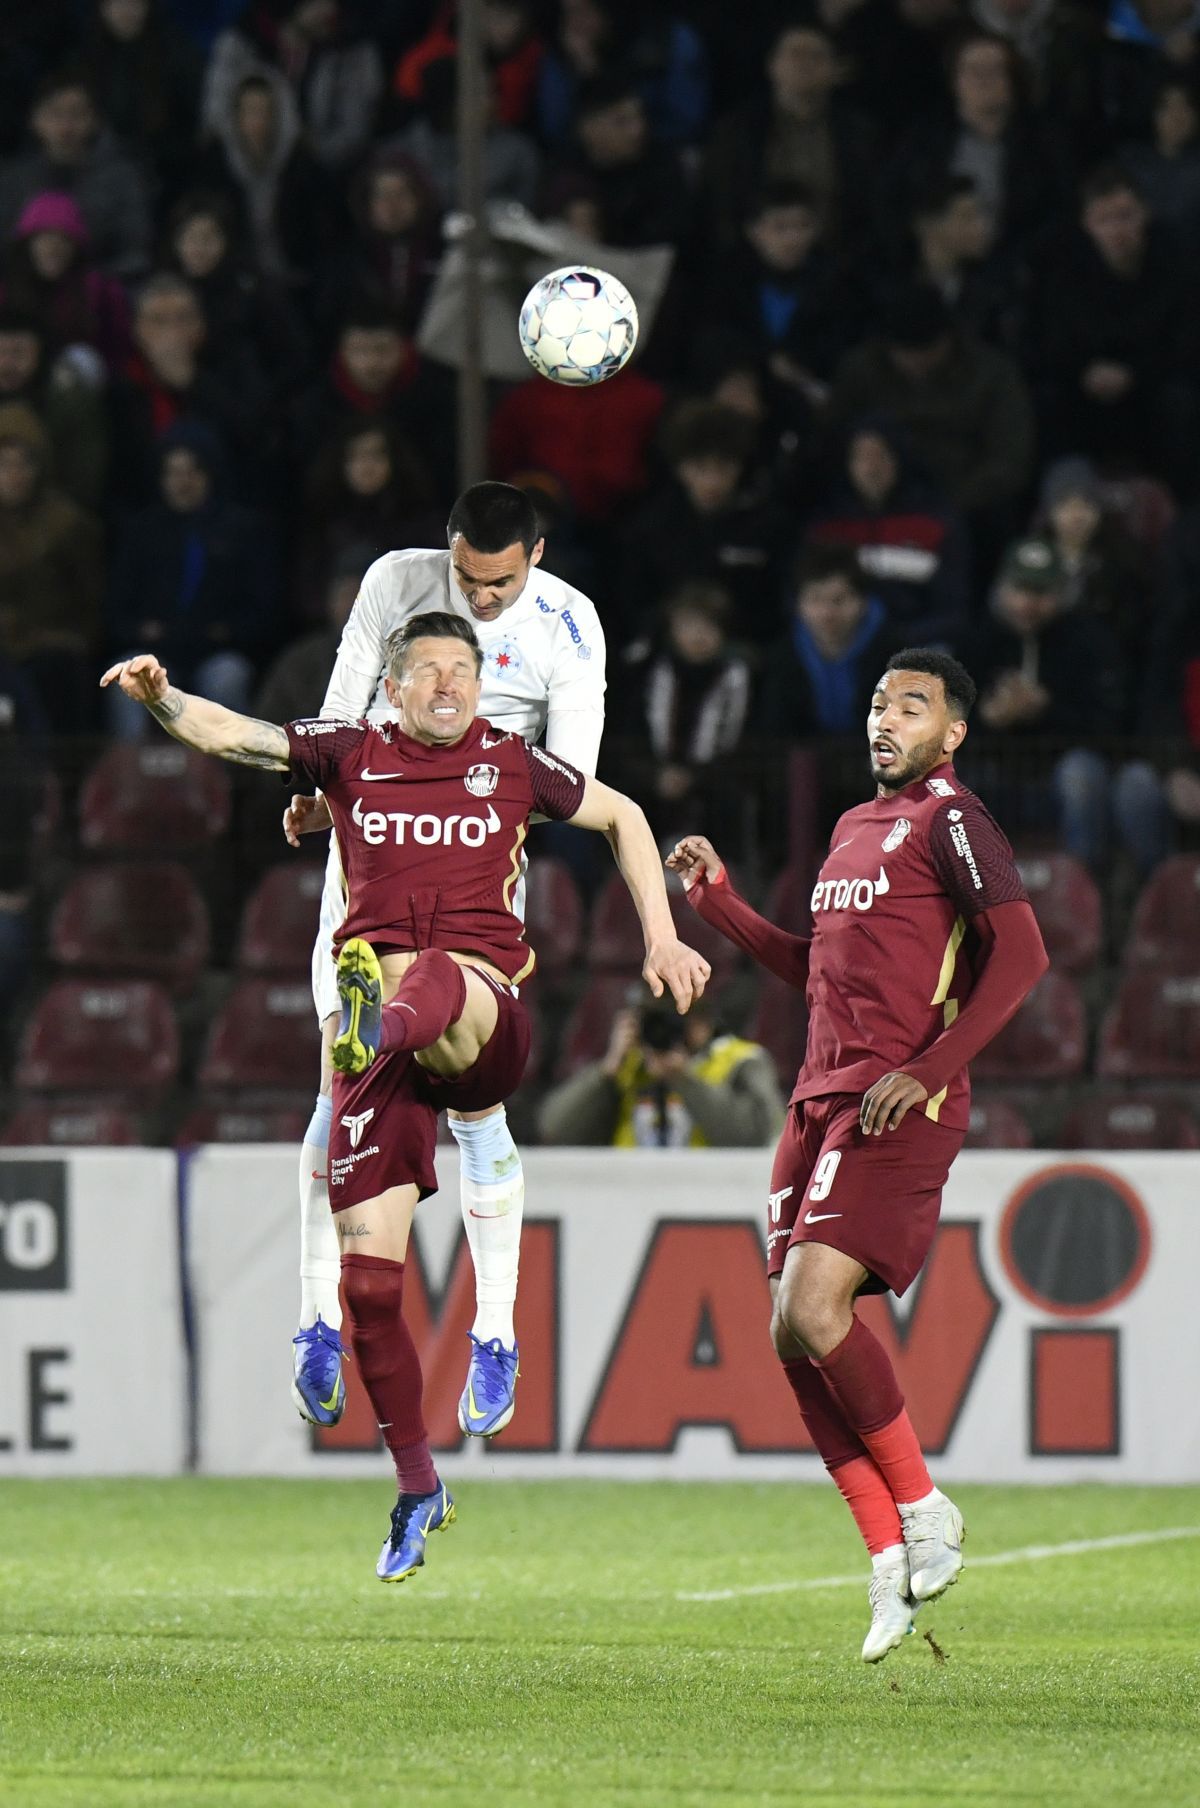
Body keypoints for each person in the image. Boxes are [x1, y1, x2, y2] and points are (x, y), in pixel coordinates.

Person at [102, 615, 707, 1583]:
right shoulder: (349, 755)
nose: (446, 682)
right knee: (370, 1286)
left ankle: (374, 1036)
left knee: (423, 970)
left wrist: (660, 936)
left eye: (462, 668)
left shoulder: (514, 762)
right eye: (426, 667)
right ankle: (417, 1483)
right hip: (385, 1046)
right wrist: (163, 698)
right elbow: (240, 734)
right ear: (391, 685)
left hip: (480, 1019)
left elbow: (628, 817)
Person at [666, 647, 1048, 1662]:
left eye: (912, 707)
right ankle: (885, 1554)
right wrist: (724, 907)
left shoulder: (952, 820)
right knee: (792, 1332)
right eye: (880, 703)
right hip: (819, 1095)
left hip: (895, 1101)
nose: (886, 719)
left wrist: (928, 1069)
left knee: (813, 1306)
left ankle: (923, 1504)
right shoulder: (850, 828)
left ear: (951, 732)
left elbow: (1023, 952)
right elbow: (817, 964)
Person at [279, 482, 607, 1445]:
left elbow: (574, 787)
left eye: (499, 581)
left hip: (473, 876)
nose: (481, 595)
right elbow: (339, 712)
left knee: (477, 1107)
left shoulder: (570, 628)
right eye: (467, 575)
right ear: (447, 550)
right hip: (371, 858)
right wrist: (319, 794)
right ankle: (315, 1321)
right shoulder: (395, 583)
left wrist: (477, 798)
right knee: (341, 1085)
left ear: (536, 557)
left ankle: (495, 1333)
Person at [538, 990, 782, 1147]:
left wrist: (684, 1079)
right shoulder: (625, 1067)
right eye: (653, 1020)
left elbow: (758, 1137)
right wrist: (606, 1073)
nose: (662, 1031)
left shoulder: (739, 1060)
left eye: (677, 1018)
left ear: (703, 1024)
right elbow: (554, 1131)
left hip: (710, 1204)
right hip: (627, 1205)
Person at [0, 68, 152, 279]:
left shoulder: (122, 178)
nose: (66, 127)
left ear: (94, 121)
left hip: (98, 291)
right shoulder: (11, 180)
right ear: (35, 121)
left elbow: (134, 248)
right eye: (55, 114)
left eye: (77, 114)